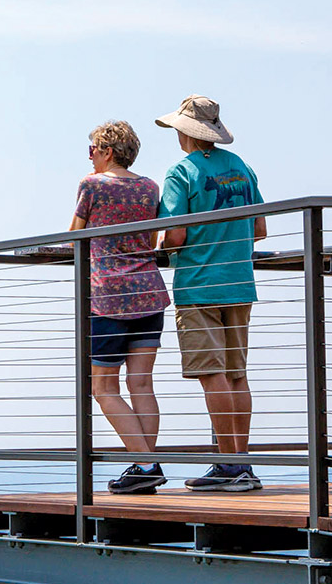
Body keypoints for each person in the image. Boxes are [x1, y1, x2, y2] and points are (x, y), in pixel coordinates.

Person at [156, 95, 267, 492]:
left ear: (183, 131)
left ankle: (227, 465)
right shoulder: (241, 167)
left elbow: (175, 234)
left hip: (199, 283)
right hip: (239, 281)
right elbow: (259, 230)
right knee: (237, 375)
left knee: (211, 374)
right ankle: (242, 464)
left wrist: (161, 253)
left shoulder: (180, 172)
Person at [71, 121, 171, 494]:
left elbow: (73, 236)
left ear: (108, 151)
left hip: (109, 297)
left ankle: (145, 463)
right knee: (142, 383)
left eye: (94, 149)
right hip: (149, 293)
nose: (90, 156)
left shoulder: (92, 185)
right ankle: (144, 465)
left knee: (104, 388)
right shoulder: (149, 187)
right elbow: (152, 236)